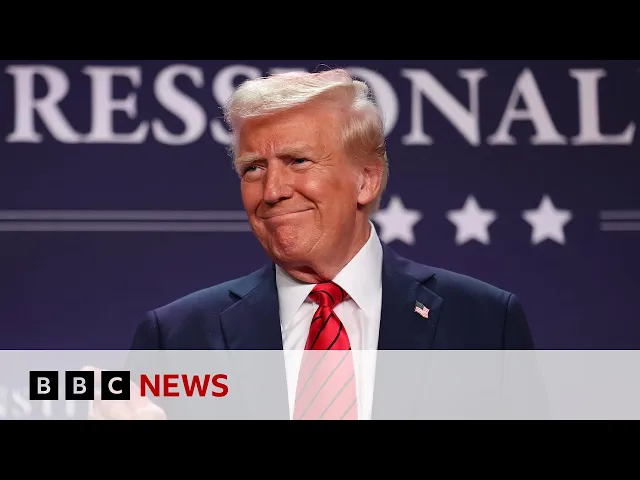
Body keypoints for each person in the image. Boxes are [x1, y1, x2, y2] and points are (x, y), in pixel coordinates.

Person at [88, 68, 535, 421]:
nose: (272, 191)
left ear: (366, 180)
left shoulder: (484, 323)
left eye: (298, 161)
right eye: (253, 168)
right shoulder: (177, 339)